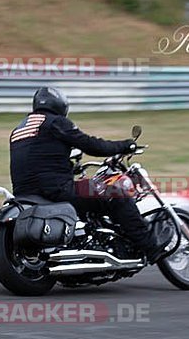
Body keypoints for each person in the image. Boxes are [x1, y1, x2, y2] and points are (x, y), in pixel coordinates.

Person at [9, 86, 162, 263]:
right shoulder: (56, 122)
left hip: (25, 195)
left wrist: (69, 168)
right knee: (116, 193)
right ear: (60, 105)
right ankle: (151, 248)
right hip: (56, 190)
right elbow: (91, 145)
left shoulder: (19, 130)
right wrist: (124, 146)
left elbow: (38, 160)